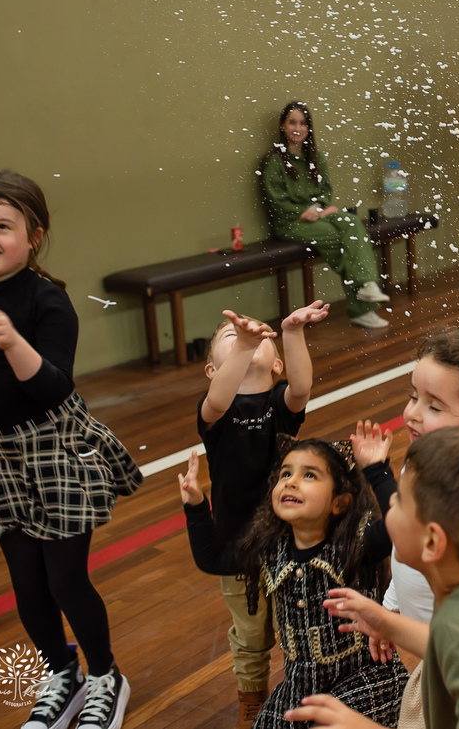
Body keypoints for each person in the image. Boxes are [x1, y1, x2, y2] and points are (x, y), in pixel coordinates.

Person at [0, 170, 143, 729]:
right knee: (26, 583)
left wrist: (11, 340)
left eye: (2, 226)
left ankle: (105, 676)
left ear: (33, 235)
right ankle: (63, 672)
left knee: (65, 579)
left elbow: (54, 386)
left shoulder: (46, 300)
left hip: (55, 452)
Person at [283, 427, 459, 729]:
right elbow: (454, 649)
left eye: (400, 502)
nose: (389, 506)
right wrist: (388, 623)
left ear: (431, 542)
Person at [349, 330, 459, 729]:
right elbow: (402, 554)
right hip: (432, 653)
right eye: (414, 396)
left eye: (434, 406)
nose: (411, 413)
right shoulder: (422, 465)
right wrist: (390, 607)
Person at [183, 438, 409, 728]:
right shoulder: (269, 547)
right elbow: (212, 560)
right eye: (285, 474)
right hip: (300, 685)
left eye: (309, 475)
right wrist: (197, 505)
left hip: (364, 677)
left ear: (339, 503)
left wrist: (377, 469)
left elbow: (399, 523)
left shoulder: (355, 544)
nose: (291, 482)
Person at [178, 301, 327, 728]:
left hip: (288, 538)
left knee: (297, 622)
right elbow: (220, 397)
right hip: (235, 543)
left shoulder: (281, 404)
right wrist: (246, 344)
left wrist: (292, 332)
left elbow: (301, 387)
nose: (245, 337)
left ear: (275, 363)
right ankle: (252, 695)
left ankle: (305, 689)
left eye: (258, 339)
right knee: (250, 635)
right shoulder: (216, 415)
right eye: (230, 338)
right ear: (212, 371)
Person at [259, 101, 391, 329]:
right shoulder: (274, 162)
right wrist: (306, 212)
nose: (297, 127)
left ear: (309, 128)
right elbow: (276, 202)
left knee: (350, 221)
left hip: (318, 216)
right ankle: (362, 303)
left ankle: (367, 287)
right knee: (344, 242)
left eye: (303, 123)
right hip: (291, 223)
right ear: (283, 126)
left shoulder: (315, 158)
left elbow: (325, 191)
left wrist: (320, 207)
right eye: (292, 122)